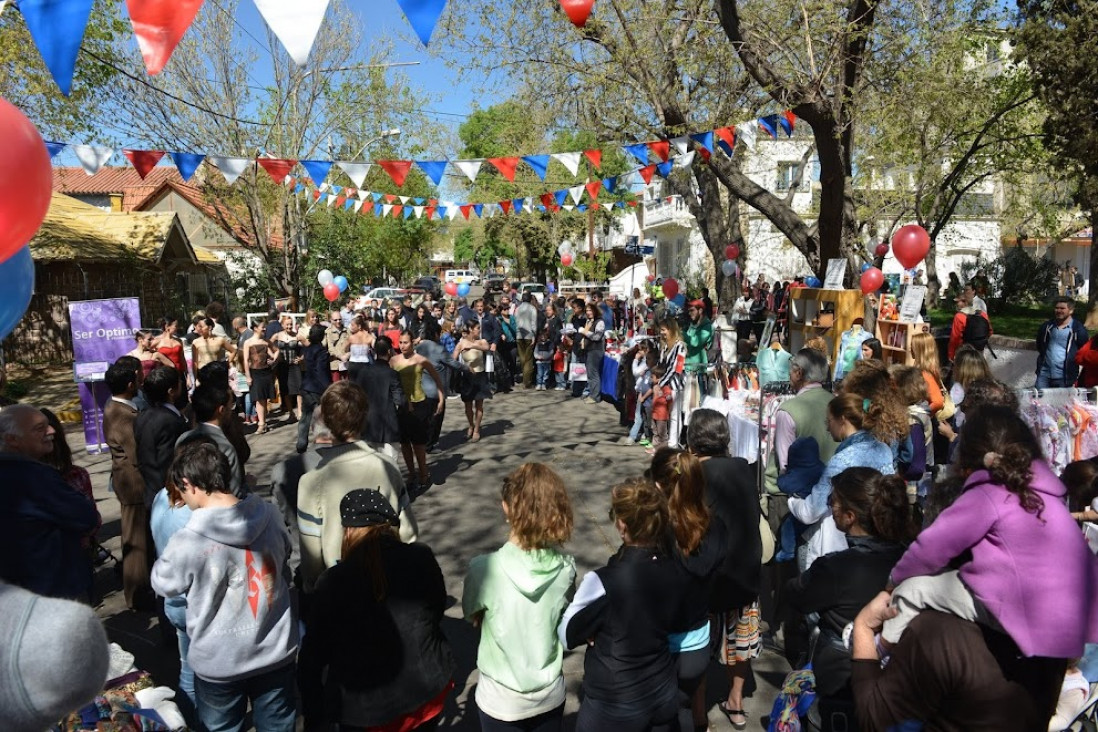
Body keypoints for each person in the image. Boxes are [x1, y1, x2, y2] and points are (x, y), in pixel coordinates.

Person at [882, 406, 1098, 662]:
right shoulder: (1050, 495)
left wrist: (893, 581)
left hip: (1030, 613)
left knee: (912, 590)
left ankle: (878, 653)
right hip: (1079, 617)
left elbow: (933, 546)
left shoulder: (988, 493)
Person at [150, 440, 298, 732]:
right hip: (274, 651)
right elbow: (285, 554)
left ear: (189, 484)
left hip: (219, 663)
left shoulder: (187, 541)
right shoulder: (267, 516)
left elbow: (162, 582)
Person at [300, 489, 453, 731]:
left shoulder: (333, 581)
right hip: (425, 691)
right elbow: (436, 607)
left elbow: (314, 655)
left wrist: (314, 712)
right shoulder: (420, 556)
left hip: (365, 711)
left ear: (348, 530)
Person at [559, 478, 692, 731]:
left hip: (614, 703)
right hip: (662, 690)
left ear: (622, 525)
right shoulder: (677, 569)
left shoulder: (602, 581)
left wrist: (592, 629)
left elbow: (566, 635)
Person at [784, 469, 911, 719]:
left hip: (841, 684)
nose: (830, 506)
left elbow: (796, 595)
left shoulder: (836, 568)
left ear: (850, 516)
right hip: (899, 686)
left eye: (833, 501)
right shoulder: (910, 558)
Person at [463, 463, 576, 731]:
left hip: (501, 700)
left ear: (507, 507)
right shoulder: (566, 569)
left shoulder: (484, 569)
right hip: (549, 693)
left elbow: (471, 613)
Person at [296, 380, 415, 594]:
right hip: (389, 580)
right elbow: (409, 532)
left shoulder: (312, 482)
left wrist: (313, 590)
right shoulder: (387, 466)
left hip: (338, 590)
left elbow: (311, 557)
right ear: (364, 416)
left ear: (325, 420)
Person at [687, 408, 762, 730]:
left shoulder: (694, 475)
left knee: (701, 645)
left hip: (708, 575)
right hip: (745, 570)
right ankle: (735, 701)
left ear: (692, 441)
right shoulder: (743, 469)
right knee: (740, 642)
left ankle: (699, 712)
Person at [650, 448, 728, 730]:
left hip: (658, 643)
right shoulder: (716, 526)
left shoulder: (656, 531)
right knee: (682, 706)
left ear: (659, 485)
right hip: (697, 640)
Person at [788, 393, 896, 571]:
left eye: (829, 422)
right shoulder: (883, 450)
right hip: (877, 542)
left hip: (841, 545)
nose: (828, 429)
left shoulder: (842, 460)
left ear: (842, 420)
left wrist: (793, 501)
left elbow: (811, 511)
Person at [149, 451, 197, 719]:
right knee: (205, 677)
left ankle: (189, 720)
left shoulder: (160, 499)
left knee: (187, 671)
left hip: (174, 601)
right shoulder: (191, 514)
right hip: (193, 603)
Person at [103, 362, 154, 610]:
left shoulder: (120, 408)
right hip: (133, 484)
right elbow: (137, 454)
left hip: (130, 482)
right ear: (130, 384)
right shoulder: (122, 415)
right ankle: (136, 596)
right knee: (136, 540)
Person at [392, 331, 445, 490]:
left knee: (418, 444)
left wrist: (441, 398)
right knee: (404, 444)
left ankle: (424, 473)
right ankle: (411, 473)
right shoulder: (394, 360)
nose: (402, 346)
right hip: (401, 406)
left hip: (419, 405)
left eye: (406, 342)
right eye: (400, 342)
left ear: (413, 343)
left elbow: (437, 379)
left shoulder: (421, 360)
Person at [177, 382, 247, 498]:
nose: (232, 410)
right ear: (222, 410)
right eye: (231, 405)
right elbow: (233, 491)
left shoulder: (183, 439)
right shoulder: (224, 446)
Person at [135, 366, 189, 506]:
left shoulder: (143, 416)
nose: (182, 384)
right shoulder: (168, 421)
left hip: (150, 491)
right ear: (171, 391)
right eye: (179, 382)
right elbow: (167, 461)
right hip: (169, 496)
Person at [353, 335, 405, 460]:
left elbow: (356, 396)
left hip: (368, 426)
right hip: (389, 427)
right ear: (389, 351)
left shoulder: (363, 372)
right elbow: (400, 400)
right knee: (390, 466)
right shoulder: (393, 374)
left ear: (374, 351)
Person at [1036, 296, 1090, 388]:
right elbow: (1040, 345)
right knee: (1038, 402)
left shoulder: (1078, 330)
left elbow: (1083, 350)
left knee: (1061, 402)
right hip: (1044, 375)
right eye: (1056, 308)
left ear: (1071, 310)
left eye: (1062, 308)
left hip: (1064, 377)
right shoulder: (1047, 326)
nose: (1058, 310)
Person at [453, 320, 493, 442]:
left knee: (479, 405)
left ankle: (476, 429)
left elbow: (487, 347)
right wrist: (462, 366)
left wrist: (473, 346)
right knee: (468, 405)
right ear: (470, 329)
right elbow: (453, 359)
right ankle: (470, 425)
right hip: (467, 376)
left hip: (480, 375)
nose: (479, 330)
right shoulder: (462, 343)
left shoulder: (481, 341)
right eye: (477, 328)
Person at [296, 325, 330, 454]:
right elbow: (321, 371)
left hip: (306, 385)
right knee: (320, 417)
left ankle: (301, 443)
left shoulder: (308, 349)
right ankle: (321, 443)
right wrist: (327, 387)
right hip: (317, 388)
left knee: (306, 416)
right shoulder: (321, 351)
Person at [242, 324, 279, 434]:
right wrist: (248, 376)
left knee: (264, 398)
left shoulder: (266, 341)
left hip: (266, 372)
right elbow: (245, 360)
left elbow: (276, 351)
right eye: (262, 327)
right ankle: (261, 423)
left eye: (264, 327)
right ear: (255, 328)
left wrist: (273, 360)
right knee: (258, 398)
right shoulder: (248, 342)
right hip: (255, 372)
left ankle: (263, 422)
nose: (264, 329)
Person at [656, 318, 686, 448]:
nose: (662, 333)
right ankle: (669, 441)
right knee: (669, 414)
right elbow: (662, 365)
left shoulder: (680, 346)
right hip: (666, 385)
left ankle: (673, 444)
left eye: (664, 330)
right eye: (661, 330)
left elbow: (675, 368)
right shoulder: (665, 346)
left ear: (671, 330)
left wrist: (661, 383)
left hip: (676, 386)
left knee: (675, 415)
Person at [271, 315, 304, 421]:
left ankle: (300, 411)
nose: (289, 326)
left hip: (294, 366)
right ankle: (291, 413)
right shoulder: (277, 336)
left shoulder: (297, 335)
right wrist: (274, 356)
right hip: (282, 367)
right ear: (282, 325)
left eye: (291, 324)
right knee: (285, 390)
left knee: (299, 389)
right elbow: (267, 344)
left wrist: (301, 358)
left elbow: (308, 347)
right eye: (287, 324)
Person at [908, 331, 946, 415]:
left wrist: (920, 414)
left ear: (920, 350)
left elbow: (938, 402)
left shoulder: (925, 374)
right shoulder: (930, 370)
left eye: (912, 346)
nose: (910, 349)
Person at [948, 293, 992, 359]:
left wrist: (951, 355)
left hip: (964, 355)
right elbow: (990, 332)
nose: (956, 305)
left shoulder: (959, 316)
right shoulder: (982, 314)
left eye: (957, 302)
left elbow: (955, 339)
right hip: (980, 354)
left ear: (964, 302)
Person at [578, 302, 606, 405]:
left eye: (590, 310)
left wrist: (584, 332)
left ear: (595, 310)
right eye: (587, 311)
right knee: (590, 374)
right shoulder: (589, 321)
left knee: (593, 374)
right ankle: (591, 394)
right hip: (588, 350)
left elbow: (596, 337)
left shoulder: (600, 322)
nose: (588, 313)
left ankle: (595, 397)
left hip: (596, 350)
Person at [515, 291, 539, 389]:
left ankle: (525, 378)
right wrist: (534, 335)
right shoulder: (532, 309)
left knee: (522, 357)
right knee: (528, 359)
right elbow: (534, 323)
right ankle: (527, 381)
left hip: (519, 335)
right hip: (529, 335)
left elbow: (516, 321)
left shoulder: (518, 308)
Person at [323, 310, 348, 382]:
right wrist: (340, 356)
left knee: (347, 386)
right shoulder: (328, 332)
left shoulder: (347, 331)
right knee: (336, 387)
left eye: (340, 319)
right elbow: (331, 349)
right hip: (335, 365)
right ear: (331, 320)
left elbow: (352, 345)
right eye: (335, 320)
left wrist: (348, 355)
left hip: (346, 364)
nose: (338, 321)